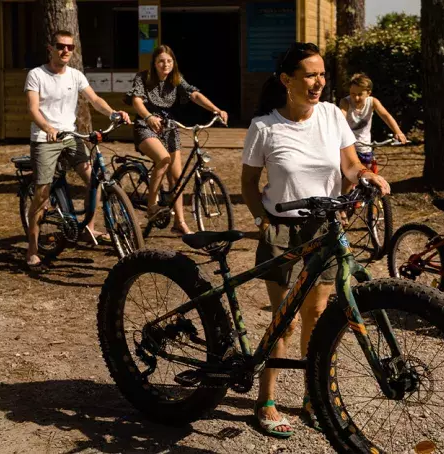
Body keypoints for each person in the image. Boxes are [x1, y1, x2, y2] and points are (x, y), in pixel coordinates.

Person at [241, 42, 391, 439]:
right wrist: (261, 219)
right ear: (286, 80)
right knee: (283, 323)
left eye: (322, 74)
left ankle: (313, 394)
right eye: (309, 74)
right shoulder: (264, 127)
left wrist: (365, 176)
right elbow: (248, 185)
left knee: (317, 316)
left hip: (325, 228)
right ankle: (266, 400)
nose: (318, 82)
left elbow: (349, 163)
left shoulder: (331, 115)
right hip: (281, 231)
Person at [24, 30, 131, 270]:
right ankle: (32, 249)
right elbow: (32, 109)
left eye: (70, 47)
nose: (65, 51)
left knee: (94, 178)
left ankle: (89, 229)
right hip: (45, 137)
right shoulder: (36, 75)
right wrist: (47, 127)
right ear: (50, 48)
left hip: (70, 136)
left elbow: (94, 100)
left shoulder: (75, 75)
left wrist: (113, 112)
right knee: (42, 192)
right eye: (61, 46)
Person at [126, 45, 228, 235]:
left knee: (177, 178)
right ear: (155, 63)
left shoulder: (176, 78)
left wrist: (216, 109)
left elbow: (194, 94)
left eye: (169, 61)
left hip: (170, 129)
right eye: (161, 61)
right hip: (146, 126)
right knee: (163, 159)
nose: (165, 64)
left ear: (173, 63)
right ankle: (151, 205)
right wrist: (148, 117)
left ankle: (179, 223)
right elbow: (137, 101)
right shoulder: (143, 77)